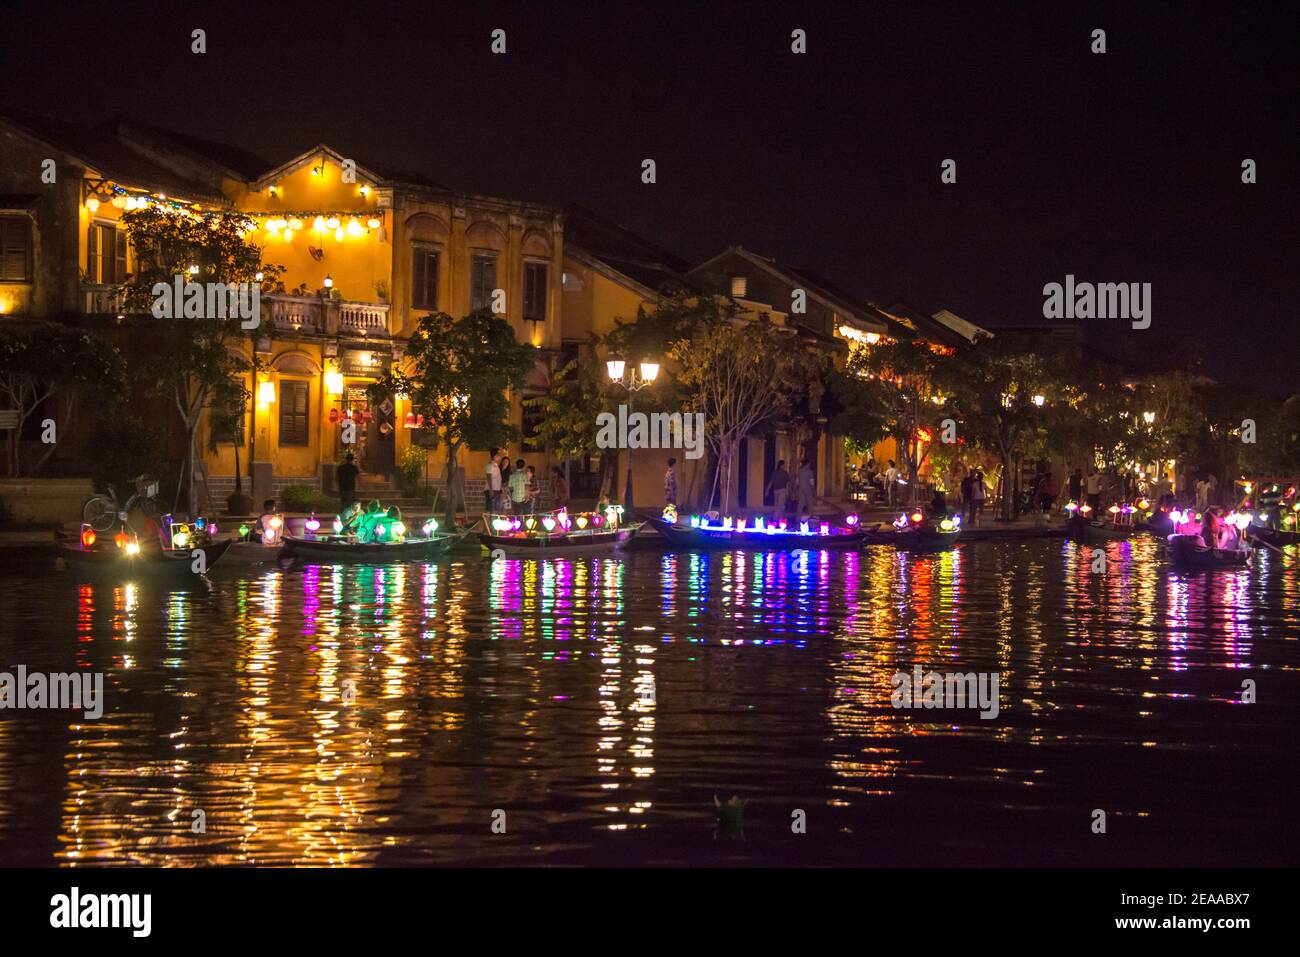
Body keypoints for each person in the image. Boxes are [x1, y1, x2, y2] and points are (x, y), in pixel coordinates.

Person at [484, 448, 502, 514]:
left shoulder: (496, 465)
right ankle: (487, 523)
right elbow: (489, 477)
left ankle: (492, 522)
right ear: (495, 456)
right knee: (490, 509)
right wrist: (491, 490)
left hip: (496, 489)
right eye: (499, 454)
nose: (500, 456)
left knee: (494, 509)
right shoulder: (490, 465)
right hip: (492, 489)